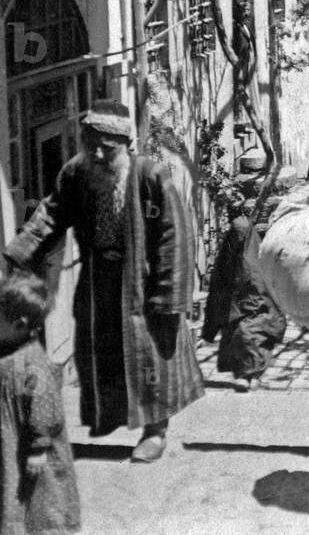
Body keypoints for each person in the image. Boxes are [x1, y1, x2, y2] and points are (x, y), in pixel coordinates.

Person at [3, 100, 204, 463]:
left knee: (150, 359)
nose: (97, 153)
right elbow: (51, 214)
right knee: (105, 356)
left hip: (144, 285)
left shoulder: (152, 177)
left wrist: (169, 296)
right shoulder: (77, 173)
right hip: (99, 282)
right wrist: (15, 254)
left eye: (106, 147)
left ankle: (155, 431)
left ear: (126, 145)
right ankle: (116, 418)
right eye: (90, 143)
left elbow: (175, 237)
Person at [0, 271, 81, 535]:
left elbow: (46, 412)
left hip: (30, 448)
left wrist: (39, 448)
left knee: (40, 502)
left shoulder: (33, 364)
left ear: (20, 324)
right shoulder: (7, 349)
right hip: (10, 441)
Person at [201, 216, 287, 393]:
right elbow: (218, 283)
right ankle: (246, 376)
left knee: (251, 334)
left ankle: (251, 376)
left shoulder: (260, 255)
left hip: (259, 306)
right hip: (235, 306)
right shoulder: (227, 257)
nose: (237, 239)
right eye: (234, 235)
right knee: (239, 336)